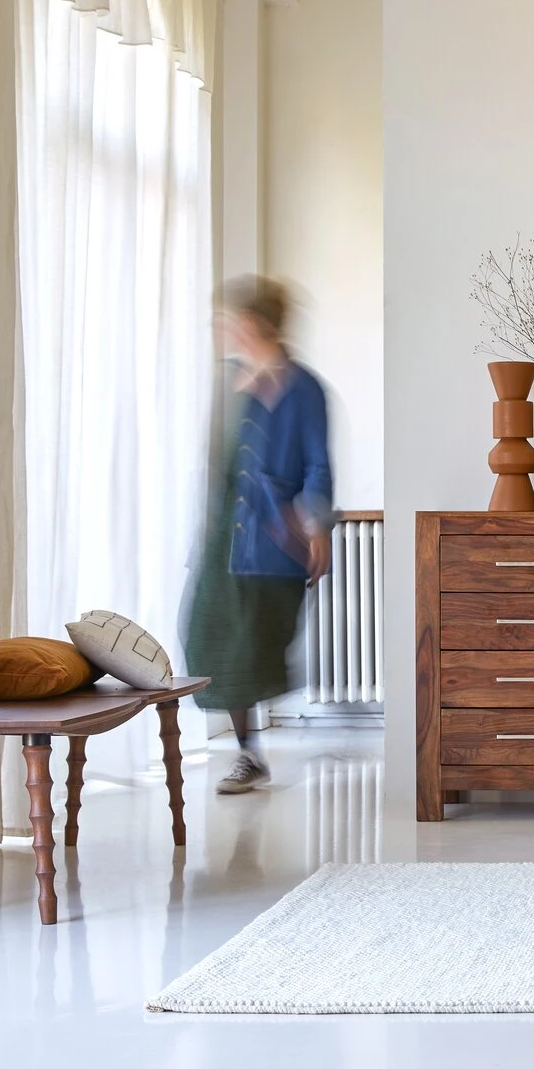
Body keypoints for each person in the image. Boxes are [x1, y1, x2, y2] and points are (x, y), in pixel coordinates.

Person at [185, 276, 333, 794]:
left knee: (254, 647)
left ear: (256, 323)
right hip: (223, 540)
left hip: (274, 540)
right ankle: (248, 752)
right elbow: (215, 466)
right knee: (209, 640)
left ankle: (250, 755)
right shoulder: (227, 380)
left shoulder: (303, 388)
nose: (223, 329)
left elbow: (318, 463)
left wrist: (316, 524)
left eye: (231, 320)